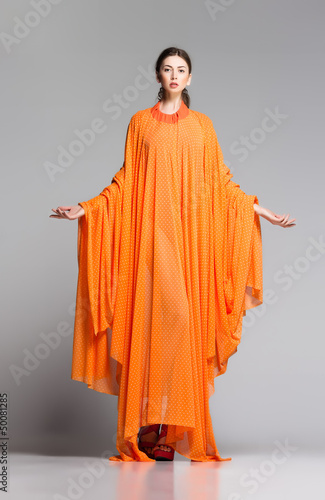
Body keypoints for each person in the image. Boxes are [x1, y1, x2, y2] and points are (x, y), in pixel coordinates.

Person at [50, 47, 296, 462]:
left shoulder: (202, 127)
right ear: (158, 75)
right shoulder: (140, 124)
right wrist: (87, 207)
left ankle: (167, 428)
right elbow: (125, 181)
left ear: (190, 77)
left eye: (181, 70)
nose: (174, 75)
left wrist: (261, 209)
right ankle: (145, 426)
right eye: (168, 69)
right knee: (144, 326)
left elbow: (221, 182)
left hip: (189, 243)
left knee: (182, 324)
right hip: (147, 243)